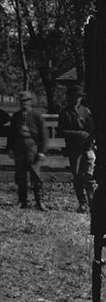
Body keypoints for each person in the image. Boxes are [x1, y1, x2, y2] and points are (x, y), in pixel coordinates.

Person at [58, 82, 97, 213]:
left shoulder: (85, 111)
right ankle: (82, 203)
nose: (76, 99)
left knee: (89, 176)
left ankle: (92, 202)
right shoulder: (65, 113)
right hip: (74, 148)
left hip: (86, 147)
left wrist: (88, 140)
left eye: (79, 96)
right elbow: (61, 131)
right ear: (70, 97)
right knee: (77, 176)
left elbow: (91, 129)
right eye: (74, 96)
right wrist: (78, 134)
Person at [9, 90, 48, 211]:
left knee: (35, 176)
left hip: (33, 148)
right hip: (19, 147)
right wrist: (10, 148)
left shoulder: (37, 116)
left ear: (30, 102)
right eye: (22, 101)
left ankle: (39, 202)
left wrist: (42, 151)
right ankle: (22, 201)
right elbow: (11, 134)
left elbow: (44, 135)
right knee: (20, 176)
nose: (24, 103)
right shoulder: (16, 116)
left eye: (26, 101)